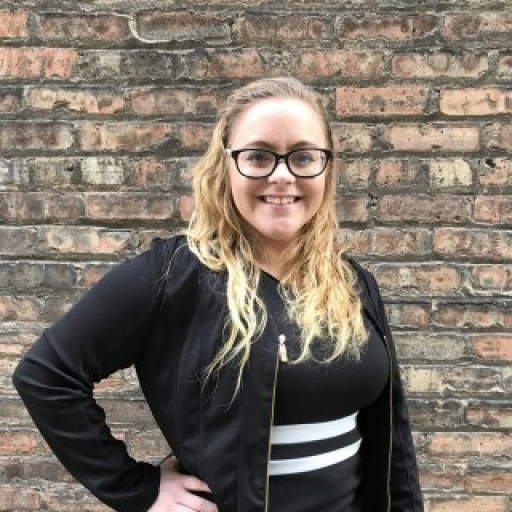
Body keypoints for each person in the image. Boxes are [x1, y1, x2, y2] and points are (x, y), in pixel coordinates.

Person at [13, 76, 423, 512]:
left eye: (303, 157)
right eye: (258, 156)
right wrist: (138, 489)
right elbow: (46, 375)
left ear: (327, 168)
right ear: (225, 165)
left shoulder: (351, 282)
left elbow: (392, 438)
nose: (282, 175)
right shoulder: (172, 277)